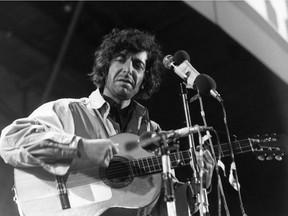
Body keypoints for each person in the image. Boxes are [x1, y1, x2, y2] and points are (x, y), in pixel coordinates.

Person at [0, 28, 214, 216]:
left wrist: (198, 185)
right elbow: (11, 140)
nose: (128, 70)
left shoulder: (152, 133)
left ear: (144, 79)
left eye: (138, 65)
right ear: (106, 67)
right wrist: (80, 151)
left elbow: (160, 208)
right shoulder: (70, 111)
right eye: (121, 59)